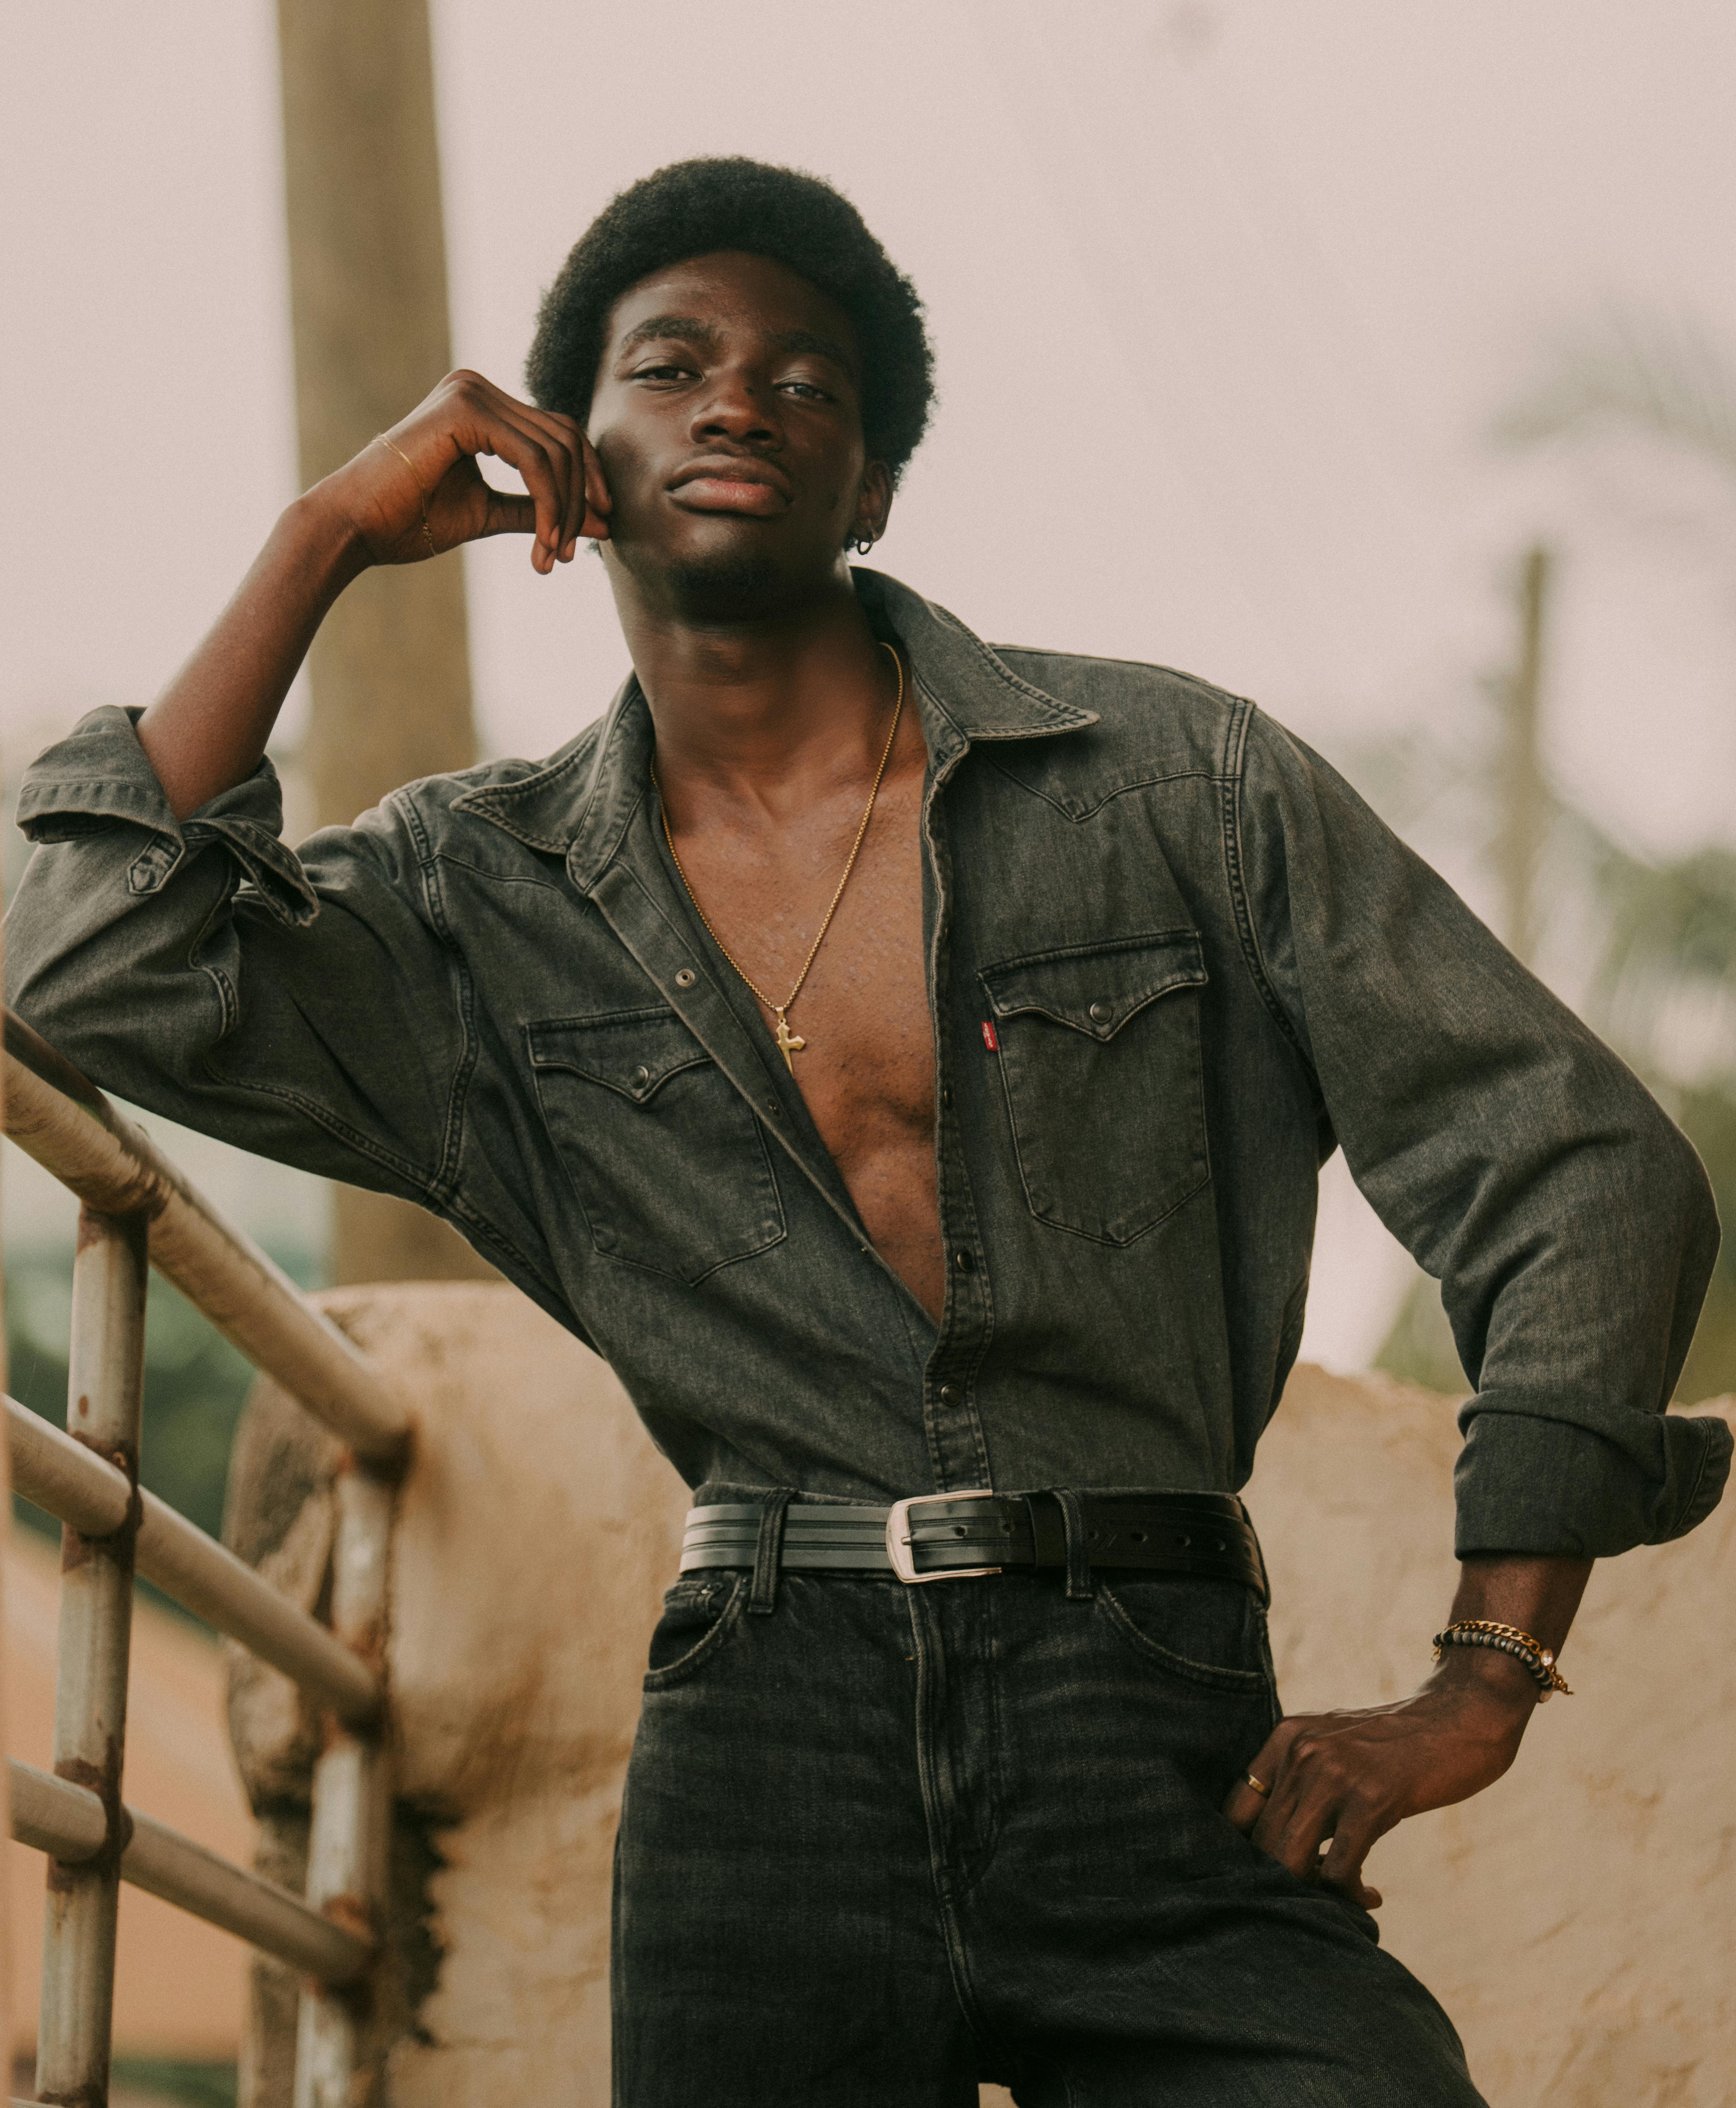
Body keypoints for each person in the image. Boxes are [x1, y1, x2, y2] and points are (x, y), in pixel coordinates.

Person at [10, 157, 1726, 2106]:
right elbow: (90, 968)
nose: (739, 399)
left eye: (805, 383)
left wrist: (1484, 1680)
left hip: (1155, 1715)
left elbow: (1582, 1167)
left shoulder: (1177, 780)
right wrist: (322, 532)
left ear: (878, 485)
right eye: (672, 365)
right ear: (570, 456)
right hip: (768, 1741)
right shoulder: (474, 901)